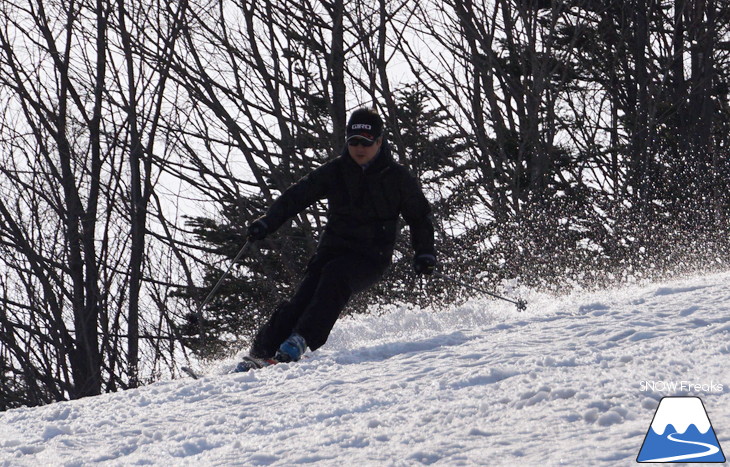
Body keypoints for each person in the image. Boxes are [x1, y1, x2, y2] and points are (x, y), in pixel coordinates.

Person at [234, 108, 436, 371]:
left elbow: (420, 217)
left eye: (366, 142)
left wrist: (424, 253)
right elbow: (297, 196)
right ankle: (260, 353)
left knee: (335, 276)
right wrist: (267, 222)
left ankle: (300, 340)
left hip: (370, 257)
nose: (359, 148)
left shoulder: (397, 178)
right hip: (332, 249)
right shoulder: (336, 171)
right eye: (353, 142)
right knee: (302, 297)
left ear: (379, 141)